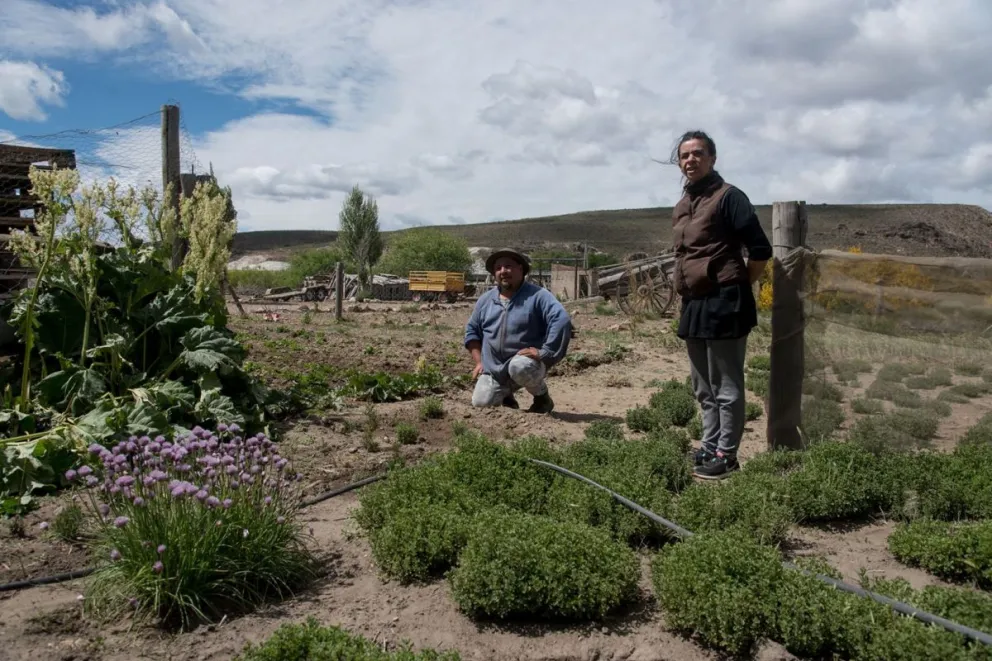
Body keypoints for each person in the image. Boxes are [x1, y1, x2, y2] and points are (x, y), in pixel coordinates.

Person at [670, 130, 772, 480]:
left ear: (712, 158)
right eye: (685, 155)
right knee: (703, 386)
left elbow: (760, 250)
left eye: (698, 153)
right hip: (694, 302)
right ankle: (709, 445)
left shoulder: (729, 197)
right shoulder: (685, 204)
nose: (691, 160)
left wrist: (740, 282)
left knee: (726, 386)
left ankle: (727, 455)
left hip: (725, 300)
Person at [464, 248, 572, 413]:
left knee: (519, 367)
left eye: (508, 266)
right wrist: (479, 362)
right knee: (481, 402)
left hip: (526, 364)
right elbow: (472, 331)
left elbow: (561, 319)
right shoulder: (486, 300)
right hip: (495, 369)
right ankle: (506, 396)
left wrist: (546, 352)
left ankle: (542, 398)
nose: (503, 271)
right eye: (498, 268)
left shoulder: (538, 296)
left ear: (521, 269)